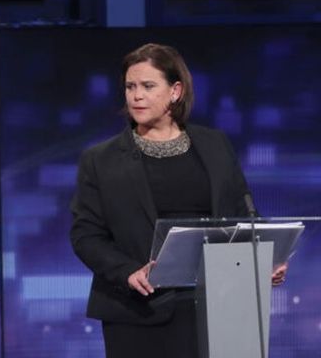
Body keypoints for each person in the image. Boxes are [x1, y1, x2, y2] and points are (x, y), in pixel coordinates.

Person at [70, 43, 286, 357]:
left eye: (147, 86)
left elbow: (243, 214)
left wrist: (263, 259)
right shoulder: (100, 160)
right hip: (138, 311)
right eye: (130, 87)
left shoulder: (215, 145)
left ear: (175, 91)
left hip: (220, 306)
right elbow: (85, 235)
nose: (136, 95)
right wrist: (127, 272)